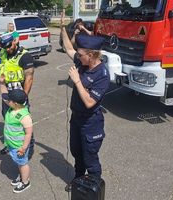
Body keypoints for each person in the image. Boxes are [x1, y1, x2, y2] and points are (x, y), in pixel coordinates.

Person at [60, 14, 110, 190]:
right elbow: (68, 48)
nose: (78, 57)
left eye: (81, 55)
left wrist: (77, 81)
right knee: (77, 153)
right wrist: (63, 29)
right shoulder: (83, 62)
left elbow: (90, 102)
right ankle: (79, 181)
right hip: (77, 119)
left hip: (91, 122)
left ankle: (94, 189)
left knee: (90, 158)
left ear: (91, 54)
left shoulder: (102, 75)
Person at [0, 33, 35, 156]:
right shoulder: (2, 52)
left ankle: (28, 145)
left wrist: (23, 97)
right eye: (5, 48)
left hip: (19, 96)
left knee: (23, 120)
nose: (8, 49)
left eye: (9, 46)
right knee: (8, 119)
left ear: (14, 41)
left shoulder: (24, 56)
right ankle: (10, 144)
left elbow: (29, 78)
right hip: (7, 94)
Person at [0, 84, 33, 193]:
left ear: (15, 103)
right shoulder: (13, 107)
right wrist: (1, 83)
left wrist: (24, 148)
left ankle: (25, 182)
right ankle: (22, 177)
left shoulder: (24, 116)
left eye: (9, 100)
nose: (7, 101)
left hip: (19, 146)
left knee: (23, 163)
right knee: (19, 162)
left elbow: (28, 134)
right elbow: (4, 95)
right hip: (12, 144)